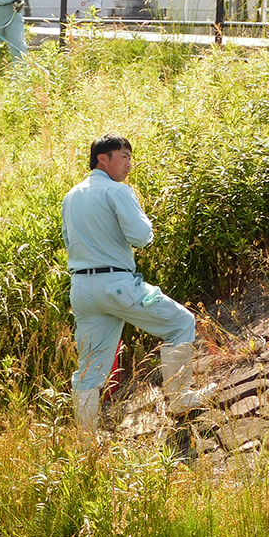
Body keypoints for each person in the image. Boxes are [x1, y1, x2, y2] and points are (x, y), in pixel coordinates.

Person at [62, 134, 215, 431]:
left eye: (130, 157)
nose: (129, 164)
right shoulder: (118, 191)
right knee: (180, 323)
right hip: (117, 284)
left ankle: (85, 442)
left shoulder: (71, 195)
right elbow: (142, 237)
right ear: (102, 159)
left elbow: (69, 240)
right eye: (123, 156)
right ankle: (180, 399)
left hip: (81, 288)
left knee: (90, 370)